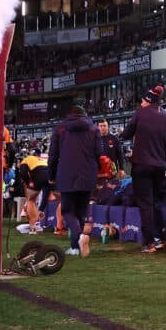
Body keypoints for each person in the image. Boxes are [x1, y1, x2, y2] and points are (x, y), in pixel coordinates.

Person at [120, 85, 166, 253]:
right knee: (157, 202)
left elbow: (126, 134)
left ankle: (149, 242)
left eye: (143, 100)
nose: (141, 103)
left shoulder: (141, 113)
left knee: (146, 205)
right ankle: (159, 238)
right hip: (160, 166)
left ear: (147, 100)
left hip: (142, 165)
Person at [48, 105, 99, 257]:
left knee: (68, 211)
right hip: (88, 174)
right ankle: (75, 246)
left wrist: (51, 175)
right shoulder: (93, 129)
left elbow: (53, 155)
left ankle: (78, 240)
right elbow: (99, 153)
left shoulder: (60, 129)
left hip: (66, 174)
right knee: (82, 212)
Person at [17, 152, 49, 234]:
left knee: (31, 200)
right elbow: (46, 194)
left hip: (38, 174)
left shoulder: (25, 160)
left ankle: (32, 227)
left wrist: (28, 183)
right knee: (58, 199)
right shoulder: (42, 160)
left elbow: (23, 173)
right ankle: (60, 228)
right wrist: (41, 209)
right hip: (50, 174)